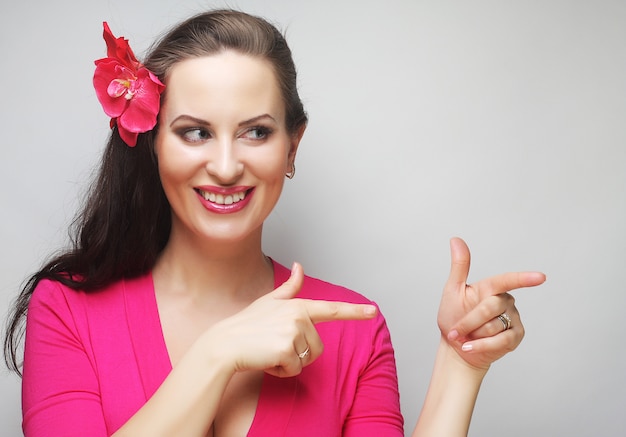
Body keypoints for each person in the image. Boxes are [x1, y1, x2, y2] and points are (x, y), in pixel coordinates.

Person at [3, 9, 545, 437]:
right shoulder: (67, 311)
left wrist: (461, 362)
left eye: (256, 132)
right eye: (194, 132)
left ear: (292, 146)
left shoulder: (354, 331)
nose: (224, 165)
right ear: (152, 143)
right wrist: (219, 354)